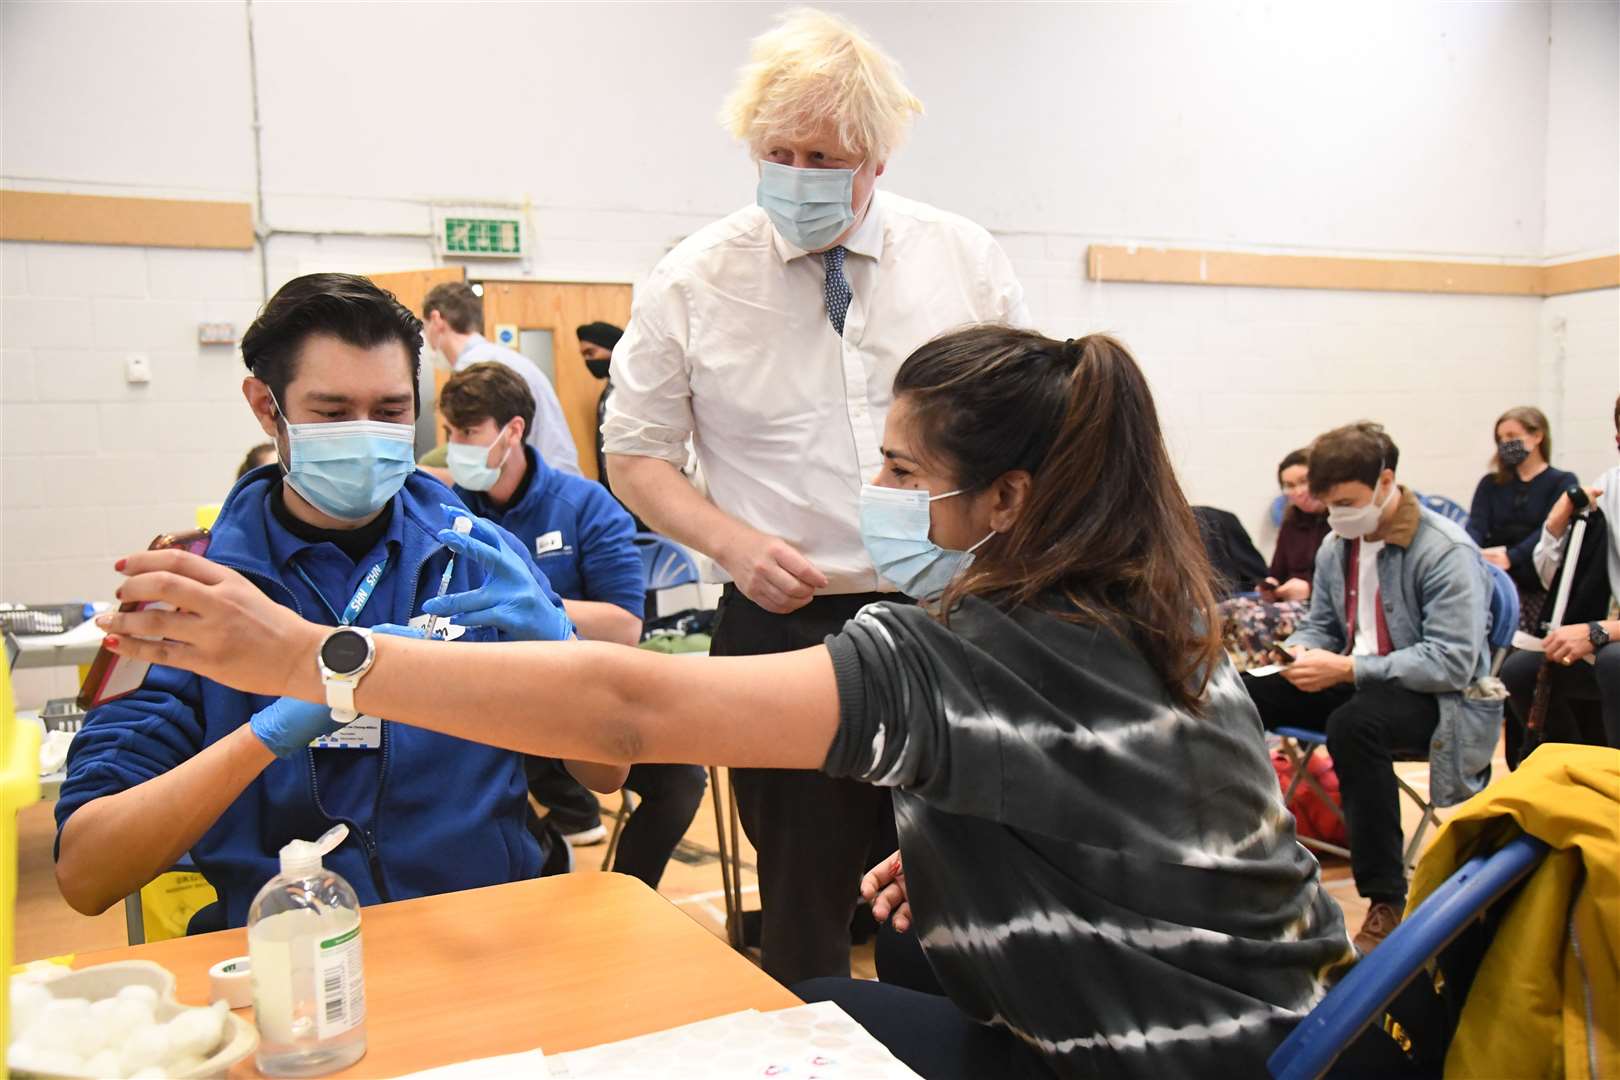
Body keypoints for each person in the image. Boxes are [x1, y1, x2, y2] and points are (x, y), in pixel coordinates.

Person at [97, 327, 1365, 1080]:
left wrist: (313, 658)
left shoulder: (979, 647)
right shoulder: (1149, 611)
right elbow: (1158, 831)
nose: (871, 488)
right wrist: (1012, 867)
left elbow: (625, 718)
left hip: (1159, 1061)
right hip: (1270, 1033)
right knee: (817, 1005)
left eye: (901, 468)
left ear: (1008, 503)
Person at [601, 8, 1028, 984]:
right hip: (784, 625)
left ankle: (940, 1041)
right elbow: (637, 457)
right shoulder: (693, 281)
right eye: (776, 153)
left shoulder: (961, 260)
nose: (796, 175)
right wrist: (733, 543)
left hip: (953, 613)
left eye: (823, 156)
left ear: (876, 158)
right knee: (802, 892)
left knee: (951, 877)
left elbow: (1039, 432)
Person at [53, 273, 607, 930]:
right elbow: (87, 871)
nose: (366, 435)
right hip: (293, 957)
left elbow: (606, 771)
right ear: (267, 408)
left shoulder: (477, 560)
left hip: (489, 934)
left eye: (392, 410)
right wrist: (261, 738)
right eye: (334, 413)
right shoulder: (195, 596)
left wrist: (564, 649)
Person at [439, 361, 706, 884]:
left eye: (468, 432)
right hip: (478, 698)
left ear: (513, 431)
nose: (454, 446)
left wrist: (532, 607)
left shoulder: (585, 505)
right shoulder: (444, 507)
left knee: (681, 781)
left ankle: (627, 889)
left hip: (573, 691)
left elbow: (625, 625)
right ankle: (543, 847)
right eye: (450, 432)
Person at [1241, 422, 1501, 955]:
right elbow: (1321, 626)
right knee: (1243, 691)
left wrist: (1347, 669)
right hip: (1359, 678)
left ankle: (1384, 898)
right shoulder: (1339, 545)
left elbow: (1452, 663)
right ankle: (1249, 853)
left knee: (1355, 726)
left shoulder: (1444, 550)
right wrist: (1298, 653)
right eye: (1329, 504)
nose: (1336, 515)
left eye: (1346, 502)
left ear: (1386, 482)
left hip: (1437, 699)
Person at [1500, 395, 1620, 756]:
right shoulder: (1609, 486)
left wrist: (1600, 630)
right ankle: (1574, 782)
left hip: (1613, 637)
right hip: (1610, 633)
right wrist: (1555, 525)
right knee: (1521, 670)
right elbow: (1551, 579)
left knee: (1615, 662)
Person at [421, 281, 582, 476]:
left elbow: (483, 461)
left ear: (436, 320)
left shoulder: (476, 371)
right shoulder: (502, 358)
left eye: (424, 327)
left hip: (537, 488)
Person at [1219, 449, 1332, 669]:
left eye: (1304, 481)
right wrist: (1270, 586)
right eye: (1289, 485)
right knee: (1221, 612)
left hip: (1317, 605)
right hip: (1288, 601)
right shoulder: (1291, 521)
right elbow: (1276, 573)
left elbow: (1347, 588)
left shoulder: (1338, 523)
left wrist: (1310, 589)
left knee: (1251, 619)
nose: (1298, 491)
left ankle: (1260, 679)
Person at [1467, 406, 1576, 629]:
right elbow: (1476, 526)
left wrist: (1512, 556)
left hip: (1535, 575)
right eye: (1500, 438)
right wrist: (1471, 553)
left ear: (1537, 436)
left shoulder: (1562, 482)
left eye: (1512, 436)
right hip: (1492, 571)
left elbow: (1549, 529)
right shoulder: (1490, 483)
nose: (1505, 443)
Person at [576, 321, 623, 495]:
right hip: (612, 489)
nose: (588, 361)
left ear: (613, 348)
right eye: (584, 355)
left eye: (591, 353)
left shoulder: (635, 389)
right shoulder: (608, 392)